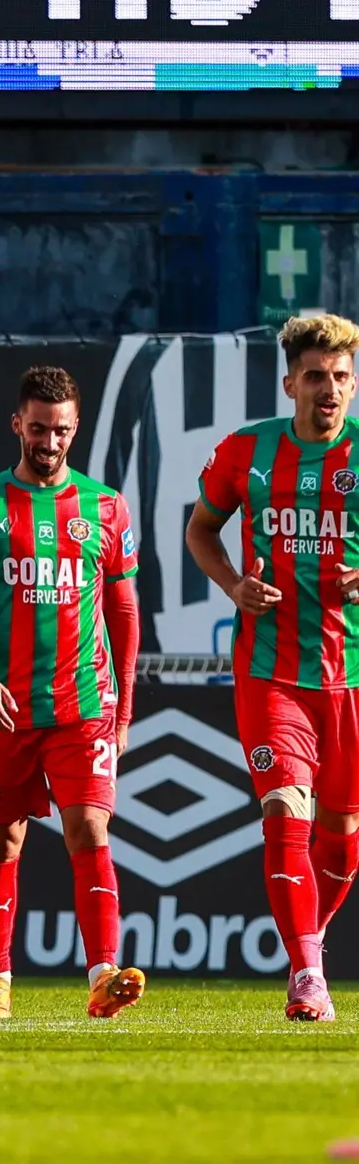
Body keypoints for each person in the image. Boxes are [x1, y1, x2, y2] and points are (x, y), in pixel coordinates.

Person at [0, 365, 143, 1021]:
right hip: (5, 710)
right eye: (38, 428)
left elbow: (125, 612)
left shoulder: (106, 507)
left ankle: (104, 973)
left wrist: (125, 707)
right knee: (3, 839)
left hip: (85, 705)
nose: (48, 440)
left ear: (75, 430)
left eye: (60, 430)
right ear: (17, 425)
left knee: (89, 828)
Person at [186, 314, 359, 1023]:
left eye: (342, 378)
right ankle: (307, 973)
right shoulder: (246, 452)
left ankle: (309, 937)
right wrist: (232, 586)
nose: (330, 390)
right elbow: (201, 529)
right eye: (317, 377)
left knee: (342, 837)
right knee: (286, 810)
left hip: (351, 676)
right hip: (270, 669)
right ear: (289, 382)